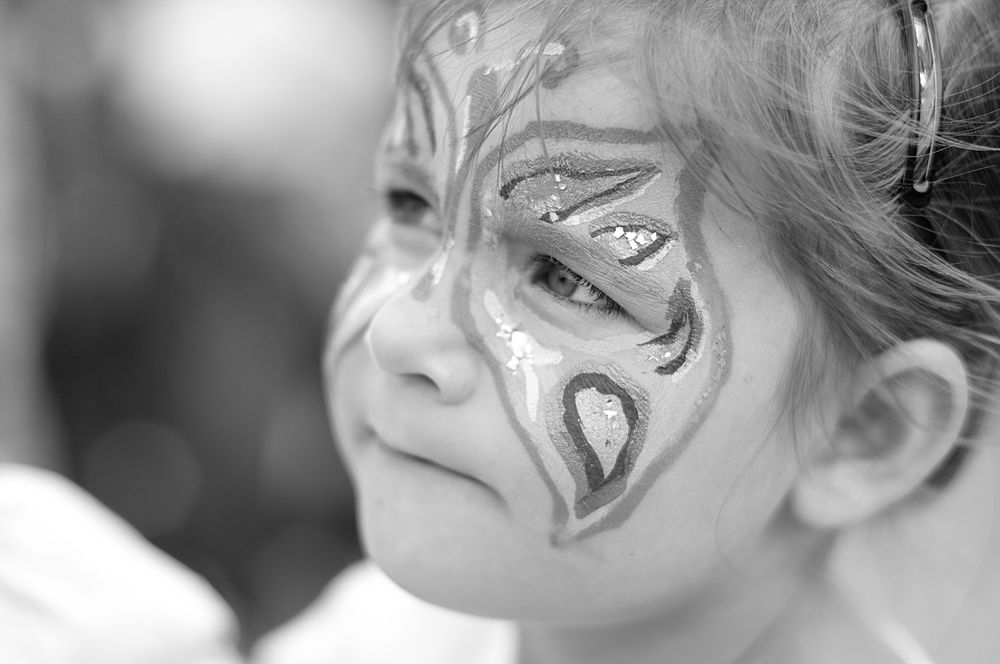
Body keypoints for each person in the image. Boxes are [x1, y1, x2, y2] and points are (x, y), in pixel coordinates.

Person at [255, 0, 1000, 662]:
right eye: (411, 204)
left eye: (571, 279)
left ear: (863, 431)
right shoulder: (389, 634)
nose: (399, 330)